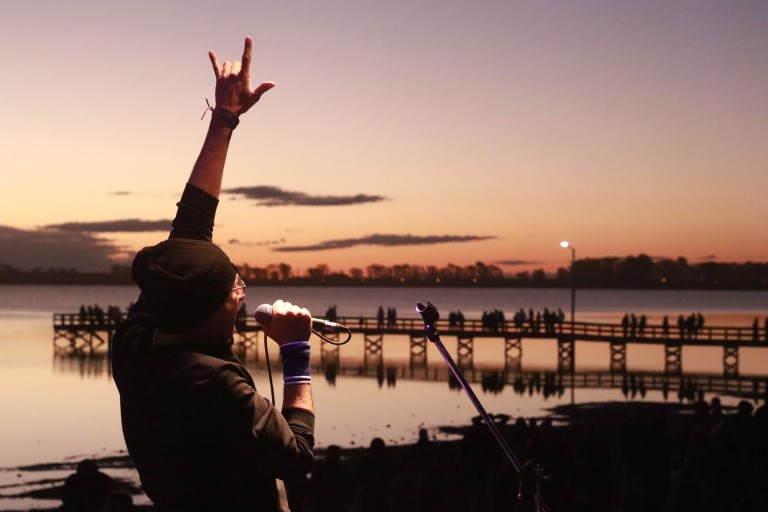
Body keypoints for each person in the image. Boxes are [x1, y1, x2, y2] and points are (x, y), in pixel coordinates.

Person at [111, 37, 315, 511]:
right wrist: (296, 351)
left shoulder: (137, 344)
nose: (242, 291)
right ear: (205, 309)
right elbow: (299, 457)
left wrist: (225, 118)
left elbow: (191, 228)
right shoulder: (216, 385)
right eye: (232, 287)